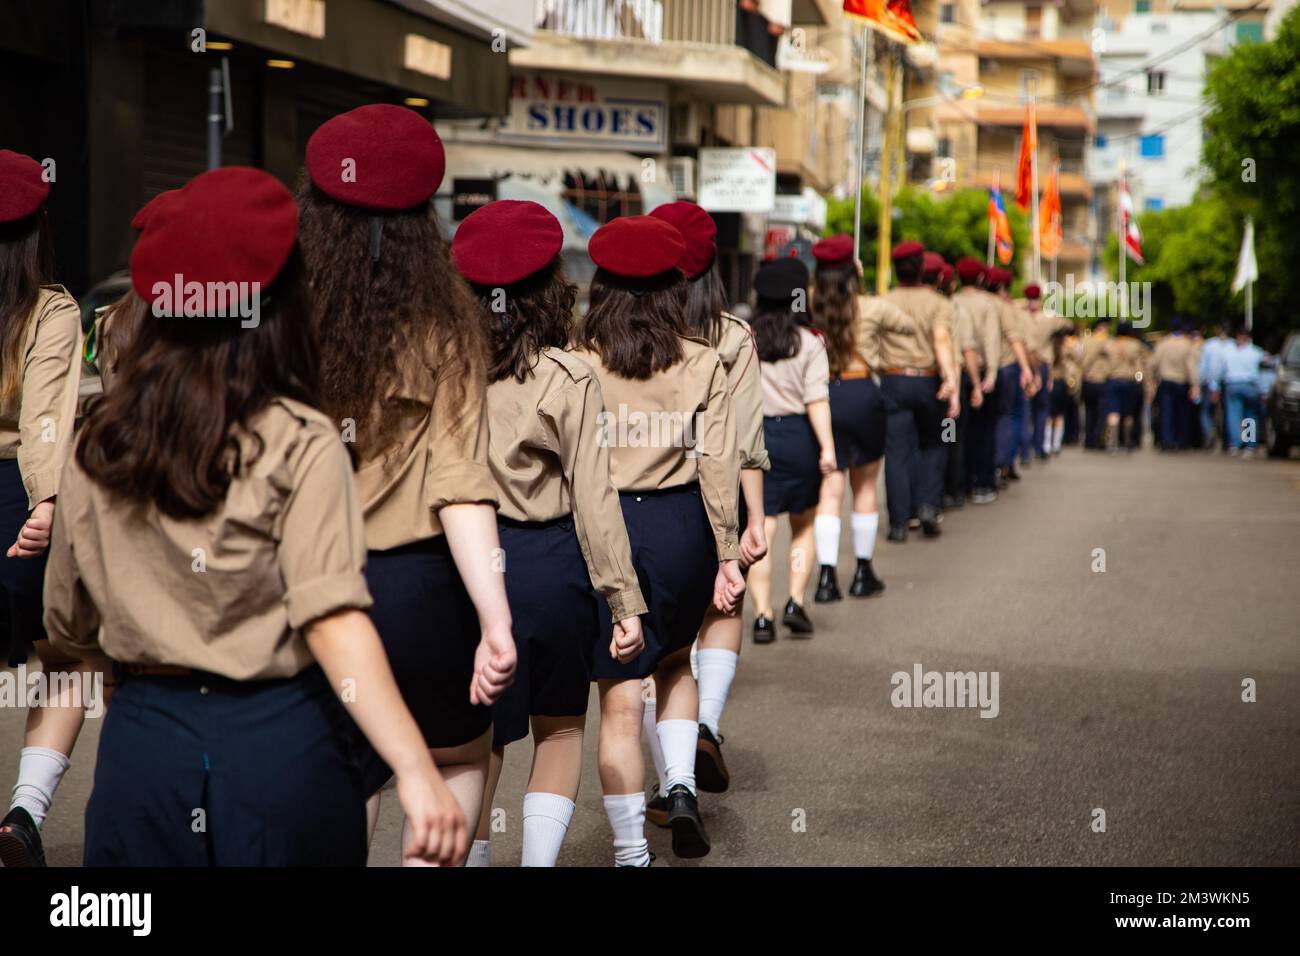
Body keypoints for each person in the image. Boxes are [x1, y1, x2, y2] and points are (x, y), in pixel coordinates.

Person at [42, 165, 467, 866]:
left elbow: (67, 623)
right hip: (282, 745)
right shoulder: (301, 439)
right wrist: (417, 770)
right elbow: (329, 615)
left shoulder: (100, 442)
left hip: (143, 749)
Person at [297, 104, 516, 864]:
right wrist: (495, 621)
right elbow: (462, 487)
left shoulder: (287, 323)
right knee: (454, 762)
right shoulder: (449, 327)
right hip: (427, 596)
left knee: (342, 781)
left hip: (318, 592)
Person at [450, 200, 647, 867]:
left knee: (477, 739)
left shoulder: (441, 369)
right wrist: (623, 601)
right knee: (558, 727)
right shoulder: (570, 376)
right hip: (550, 564)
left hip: (463, 568)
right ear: (550, 290)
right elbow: (595, 498)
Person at [571, 214, 744, 864]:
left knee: (617, 697)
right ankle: (679, 786)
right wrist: (728, 553)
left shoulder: (577, 363)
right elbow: (718, 465)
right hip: (680, 530)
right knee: (675, 662)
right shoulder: (703, 361)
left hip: (605, 530)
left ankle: (629, 853)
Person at [642, 201, 768, 810]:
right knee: (723, 607)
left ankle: (670, 779)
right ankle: (708, 726)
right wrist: (755, 521)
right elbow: (744, 441)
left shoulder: (621, 333)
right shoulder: (733, 337)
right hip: (714, 502)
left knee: (657, 651)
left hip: (642, 504)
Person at [0, 150, 93, 867]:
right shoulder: (49, 309)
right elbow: (46, 417)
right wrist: (50, 498)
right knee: (73, 658)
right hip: (14, 503)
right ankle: (24, 813)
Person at [747, 256, 834, 639]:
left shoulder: (746, 338)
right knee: (802, 525)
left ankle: (762, 614)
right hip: (799, 436)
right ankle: (795, 601)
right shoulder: (811, 342)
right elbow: (817, 401)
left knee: (760, 528)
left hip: (756, 437)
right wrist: (827, 449)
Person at [807, 234, 886, 603]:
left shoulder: (808, 303)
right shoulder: (870, 307)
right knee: (865, 487)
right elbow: (902, 325)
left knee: (829, 488)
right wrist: (862, 283)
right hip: (862, 392)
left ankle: (826, 577)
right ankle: (862, 571)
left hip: (822, 396)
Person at [878, 243, 960, 540]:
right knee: (933, 445)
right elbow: (941, 340)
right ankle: (928, 504)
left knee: (896, 453)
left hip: (893, 380)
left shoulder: (884, 300)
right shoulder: (939, 303)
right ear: (923, 270)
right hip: (928, 381)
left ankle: (899, 523)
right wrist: (950, 380)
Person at [951, 258, 1005, 503]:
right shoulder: (988, 305)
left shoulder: (952, 302)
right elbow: (992, 340)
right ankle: (982, 483)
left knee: (955, 432)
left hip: (955, 372)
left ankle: (958, 484)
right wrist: (992, 373)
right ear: (982, 279)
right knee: (984, 430)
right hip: (980, 372)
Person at [984, 267, 1037, 486]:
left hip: (972, 371)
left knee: (962, 425)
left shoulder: (961, 302)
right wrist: (1028, 370)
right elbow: (1021, 341)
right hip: (1005, 369)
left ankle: (966, 476)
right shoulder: (1010, 309)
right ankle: (1002, 464)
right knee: (1008, 417)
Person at [1148, 321, 1200, 450]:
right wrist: (1195, 385)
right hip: (1181, 382)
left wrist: (1152, 380)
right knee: (1182, 414)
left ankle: (1167, 441)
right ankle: (1181, 441)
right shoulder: (1187, 345)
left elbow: (1152, 363)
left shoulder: (1163, 344)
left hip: (1165, 382)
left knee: (1166, 413)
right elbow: (1191, 367)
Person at [1220, 324, 1267, 458]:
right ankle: (1249, 445)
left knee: (1233, 415)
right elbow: (1262, 373)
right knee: (1250, 416)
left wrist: (1215, 387)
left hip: (1233, 384)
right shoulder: (1257, 352)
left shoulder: (1228, 352)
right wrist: (1264, 391)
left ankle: (1235, 444)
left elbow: (1221, 371)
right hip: (1250, 385)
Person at [1102, 321, 1146, 453]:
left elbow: (1105, 364)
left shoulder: (1109, 345)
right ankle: (1127, 441)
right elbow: (1140, 367)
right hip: (1129, 381)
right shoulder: (1135, 345)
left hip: (1113, 380)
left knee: (1113, 412)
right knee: (1128, 414)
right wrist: (1140, 379)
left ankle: (1111, 442)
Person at [1078, 319, 1112, 450]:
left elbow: (1078, 357)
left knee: (1089, 412)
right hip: (1102, 380)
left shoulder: (1085, 341)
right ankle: (1098, 439)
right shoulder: (1108, 342)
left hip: (1087, 380)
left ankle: (1089, 440)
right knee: (1101, 413)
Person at [1198, 323, 1231, 450]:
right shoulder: (1233, 346)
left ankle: (1209, 430)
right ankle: (1227, 441)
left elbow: (1204, 367)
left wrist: (1202, 384)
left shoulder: (1209, 345)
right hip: (1227, 383)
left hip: (1210, 383)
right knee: (1228, 412)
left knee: (1206, 411)